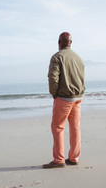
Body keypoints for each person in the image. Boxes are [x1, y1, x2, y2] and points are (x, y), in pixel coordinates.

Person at [43, 32, 85, 169]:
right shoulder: (78, 58)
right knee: (75, 127)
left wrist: (54, 94)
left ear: (59, 42)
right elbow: (81, 77)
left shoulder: (57, 57)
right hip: (78, 97)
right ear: (70, 43)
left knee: (58, 127)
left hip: (64, 97)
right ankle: (74, 158)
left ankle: (59, 160)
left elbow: (53, 78)